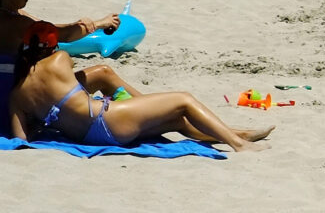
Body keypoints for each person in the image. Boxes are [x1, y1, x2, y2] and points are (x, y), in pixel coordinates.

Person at [6, 22, 268, 152]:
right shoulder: (60, 60)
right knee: (184, 99)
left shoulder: (17, 95)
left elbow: (21, 141)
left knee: (177, 120)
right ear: (53, 47)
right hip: (110, 121)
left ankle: (235, 134)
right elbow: (71, 43)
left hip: (88, 137)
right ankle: (239, 144)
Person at [0, 0, 133, 108]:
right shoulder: (16, 22)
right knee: (103, 74)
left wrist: (78, 24)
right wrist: (100, 23)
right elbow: (64, 35)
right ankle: (149, 109)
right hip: (23, 96)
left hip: (16, 90)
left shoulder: (16, 15)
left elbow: (46, 26)